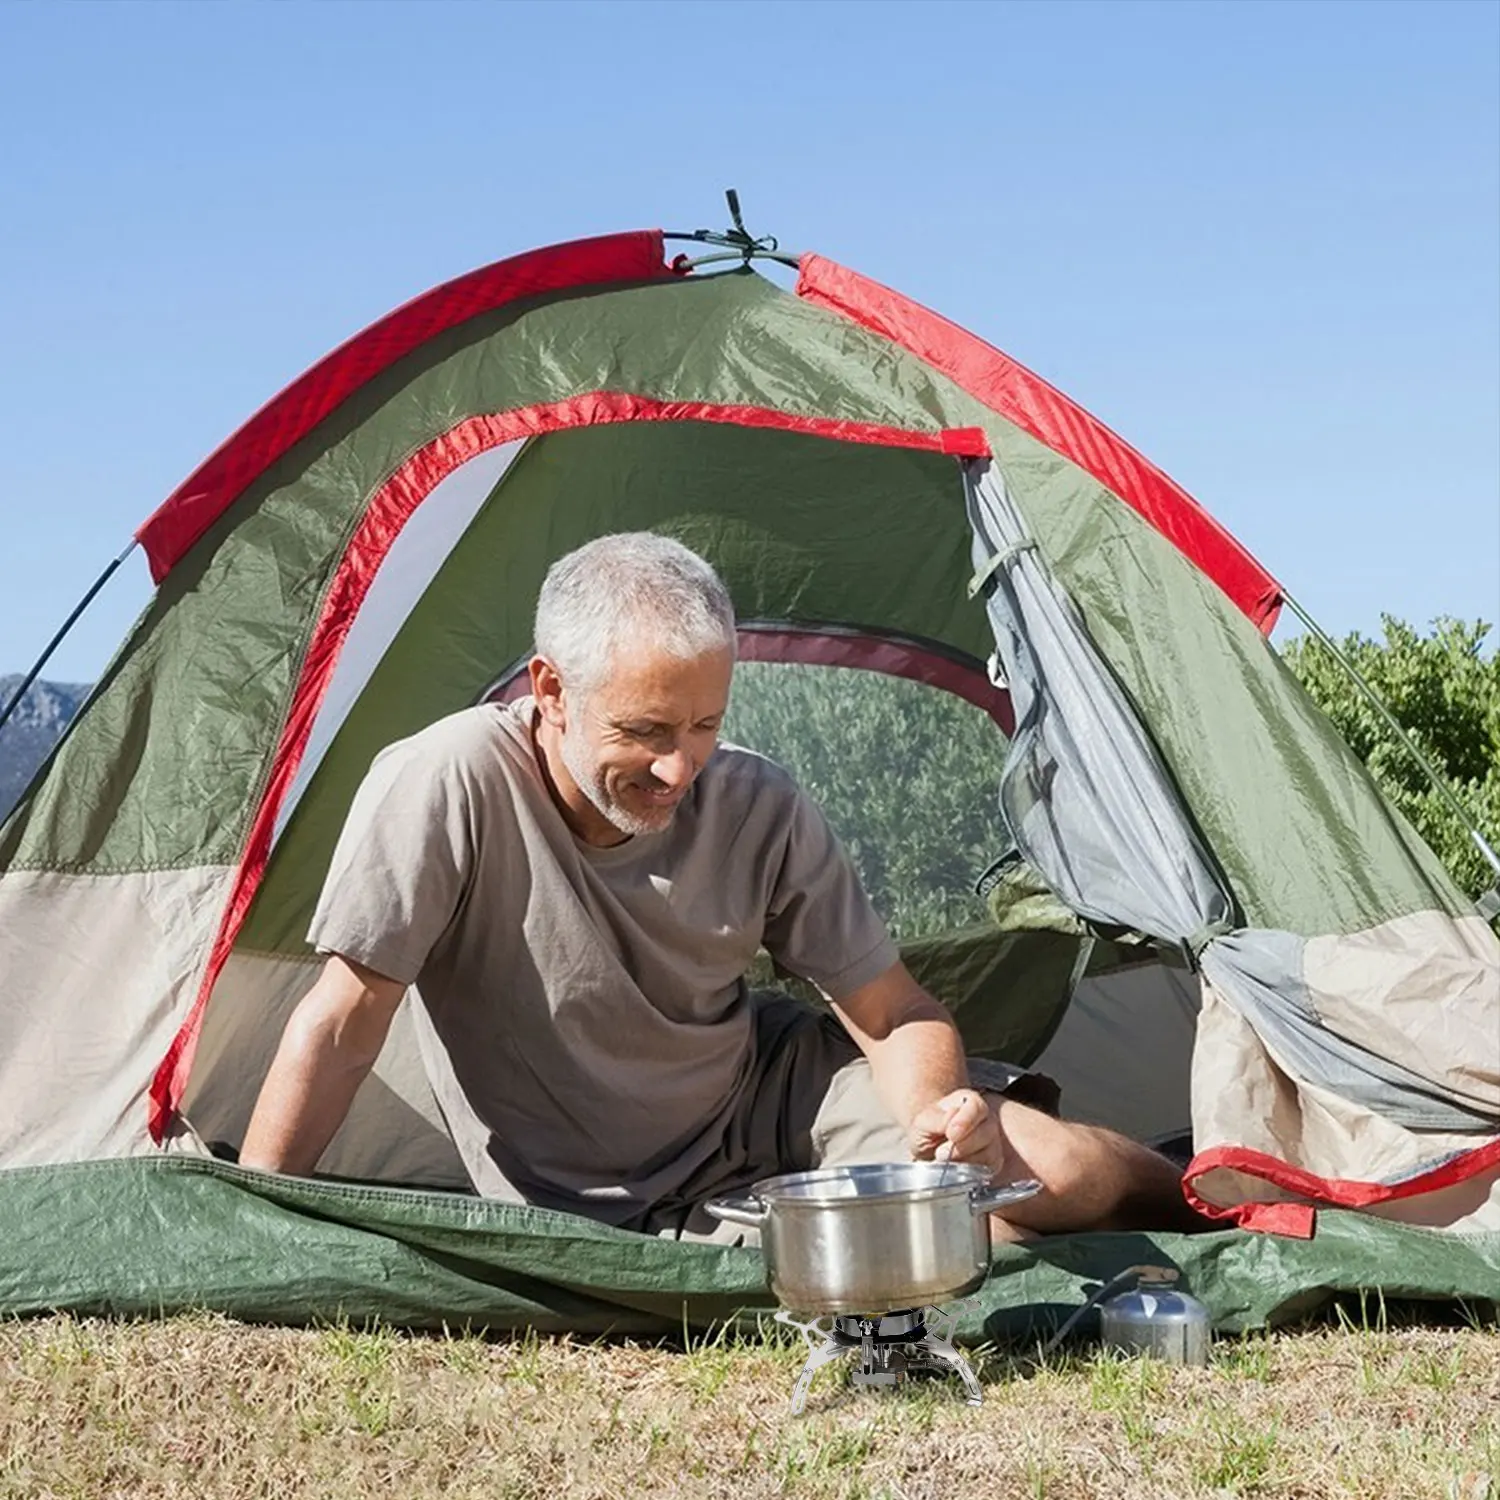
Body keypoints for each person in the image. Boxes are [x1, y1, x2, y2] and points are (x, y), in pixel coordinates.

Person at [240, 532, 1199, 1242]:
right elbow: (341, 1020)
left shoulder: (755, 803)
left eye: (703, 725)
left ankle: (1207, 1198)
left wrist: (941, 1128)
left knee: (1054, 1172)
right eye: (647, 731)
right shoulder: (449, 782)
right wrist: (255, 1215)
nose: (680, 769)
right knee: (981, 1245)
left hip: (769, 1101)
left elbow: (893, 1008)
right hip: (597, 1197)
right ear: (551, 689)